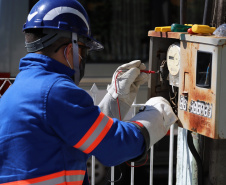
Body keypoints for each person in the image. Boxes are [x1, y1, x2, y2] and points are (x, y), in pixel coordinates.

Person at [0, 0, 177, 184]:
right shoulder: (56, 91)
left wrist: (116, 100)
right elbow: (114, 148)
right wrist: (155, 116)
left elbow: (76, 136)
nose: (83, 58)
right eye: (84, 51)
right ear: (71, 49)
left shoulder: (17, 91)